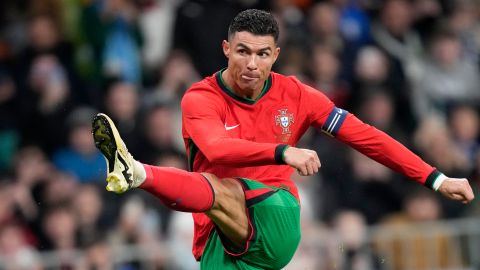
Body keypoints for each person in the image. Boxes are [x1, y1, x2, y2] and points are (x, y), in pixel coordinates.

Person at [91, 9, 474, 269]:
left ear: (276, 54)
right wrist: (282, 151)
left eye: (261, 54)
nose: (251, 64)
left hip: (277, 216)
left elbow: (369, 138)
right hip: (218, 235)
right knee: (216, 186)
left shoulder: (300, 96)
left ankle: (137, 173)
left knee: (217, 184)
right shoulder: (200, 97)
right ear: (227, 49)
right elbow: (216, 148)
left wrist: (435, 178)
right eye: (242, 52)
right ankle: (136, 173)